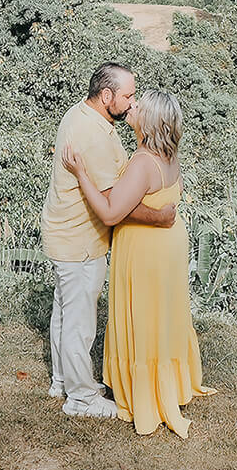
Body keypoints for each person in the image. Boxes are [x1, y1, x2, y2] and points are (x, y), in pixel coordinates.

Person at [64, 87, 212, 437]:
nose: (133, 106)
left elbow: (112, 213)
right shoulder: (168, 154)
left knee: (144, 316)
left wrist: (80, 172)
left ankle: (144, 391)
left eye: (140, 105)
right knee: (163, 315)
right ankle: (169, 382)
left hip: (147, 251)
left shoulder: (145, 161)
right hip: (168, 245)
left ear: (151, 121)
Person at [40, 62, 176, 418]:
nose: (132, 104)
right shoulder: (93, 137)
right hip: (80, 240)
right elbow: (116, 207)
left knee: (66, 311)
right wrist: (160, 217)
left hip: (65, 235)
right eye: (128, 96)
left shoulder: (88, 116)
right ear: (106, 96)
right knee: (80, 322)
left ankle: (62, 380)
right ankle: (81, 398)